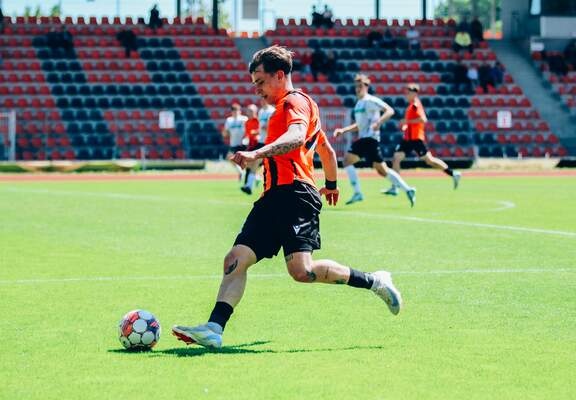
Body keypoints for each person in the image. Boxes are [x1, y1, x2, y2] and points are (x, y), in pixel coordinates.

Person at [172, 46, 403, 349]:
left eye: (260, 82)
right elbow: (326, 151)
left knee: (302, 271)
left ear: (280, 75)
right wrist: (331, 184)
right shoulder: (297, 107)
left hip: (295, 194)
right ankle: (214, 328)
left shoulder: (294, 102)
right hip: (272, 197)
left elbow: (296, 138)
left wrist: (257, 152)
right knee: (235, 258)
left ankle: (375, 281)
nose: (257, 90)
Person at [333, 74, 416, 206]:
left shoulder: (370, 100)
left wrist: (379, 122)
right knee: (382, 170)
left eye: (360, 86)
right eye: (356, 86)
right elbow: (359, 125)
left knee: (347, 160)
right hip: (366, 139)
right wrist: (343, 130)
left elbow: (389, 110)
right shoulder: (359, 104)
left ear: (366, 87)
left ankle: (358, 193)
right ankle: (408, 189)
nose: (358, 89)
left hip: (370, 139)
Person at [384, 83, 461, 195]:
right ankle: (395, 187)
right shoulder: (411, 105)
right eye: (406, 92)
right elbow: (413, 122)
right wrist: (406, 126)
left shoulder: (415, 105)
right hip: (408, 138)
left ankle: (453, 173)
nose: (406, 95)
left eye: (409, 93)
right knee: (396, 159)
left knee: (429, 160)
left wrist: (407, 122)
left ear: (414, 93)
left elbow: (423, 119)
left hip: (415, 139)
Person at [242, 98, 275, 195]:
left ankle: (251, 184)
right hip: (261, 142)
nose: (262, 101)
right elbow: (261, 128)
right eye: (262, 99)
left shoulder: (271, 110)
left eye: (265, 98)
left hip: (269, 142)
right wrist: (257, 132)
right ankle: (250, 184)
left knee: (262, 164)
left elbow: (273, 125)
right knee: (253, 162)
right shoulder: (261, 112)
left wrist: (267, 127)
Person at [222, 103, 248, 180]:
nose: (235, 112)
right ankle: (241, 172)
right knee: (229, 158)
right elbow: (226, 133)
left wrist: (246, 138)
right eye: (233, 110)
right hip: (233, 143)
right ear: (231, 112)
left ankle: (253, 177)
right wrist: (224, 133)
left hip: (243, 143)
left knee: (246, 162)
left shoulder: (244, 119)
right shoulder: (229, 120)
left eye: (237, 110)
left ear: (240, 111)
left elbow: (248, 130)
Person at [240, 104, 260, 194]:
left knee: (254, 163)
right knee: (246, 163)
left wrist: (256, 133)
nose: (249, 113)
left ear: (255, 112)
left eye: (251, 111)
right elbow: (248, 134)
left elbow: (262, 131)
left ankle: (249, 185)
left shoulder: (259, 121)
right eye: (248, 111)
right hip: (251, 146)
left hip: (260, 145)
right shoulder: (247, 122)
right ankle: (256, 177)